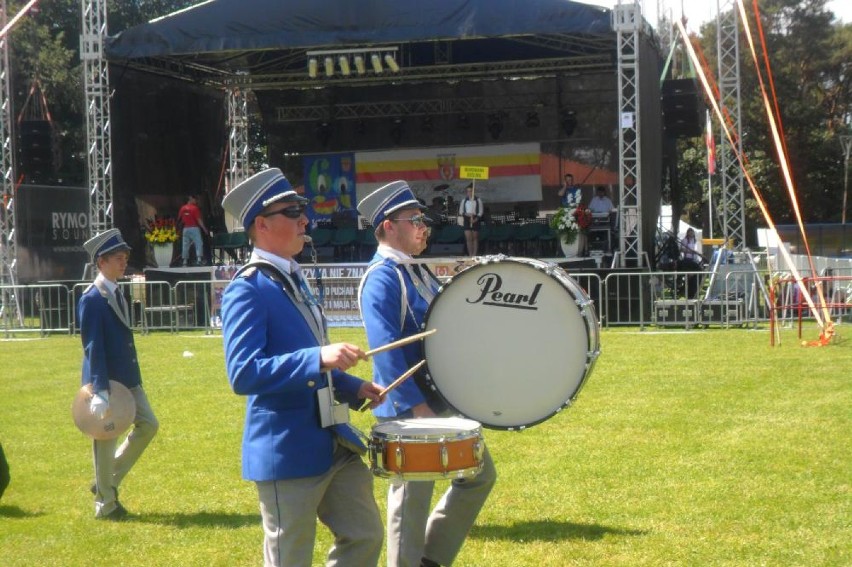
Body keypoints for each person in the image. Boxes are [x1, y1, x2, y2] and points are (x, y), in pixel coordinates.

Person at [220, 168, 385, 567]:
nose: (304, 221)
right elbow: (243, 372)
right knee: (289, 559)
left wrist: (351, 385)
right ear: (261, 223)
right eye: (292, 212)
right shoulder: (247, 288)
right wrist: (317, 358)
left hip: (333, 440)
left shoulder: (291, 278)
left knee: (365, 535)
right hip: (288, 449)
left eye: (302, 212)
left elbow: (309, 356)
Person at [358, 180, 497, 567]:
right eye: (414, 219)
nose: (424, 227)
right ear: (388, 225)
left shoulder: (413, 271)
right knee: (409, 505)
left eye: (424, 220)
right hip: (409, 410)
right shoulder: (382, 276)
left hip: (435, 401)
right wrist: (417, 409)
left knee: (479, 476)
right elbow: (386, 353)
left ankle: (430, 560)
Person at [78, 229, 159, 520]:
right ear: (101, 262)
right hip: (106, 381)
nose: (124, 263)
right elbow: (93, 346)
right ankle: (105, 504)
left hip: (127, 379)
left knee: (149, 424)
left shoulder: (116, 291)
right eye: (117, 258)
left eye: (125, 258)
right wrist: (99, 388)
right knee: (105, 440)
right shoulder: (92, 298)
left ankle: (105, 481)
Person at [178, 194, 208, 266]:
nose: (196, 201)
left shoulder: (182, 208)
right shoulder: (195, 208)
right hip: (194, 228)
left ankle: (185, 261)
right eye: (195, 199)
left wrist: (178, 228)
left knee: (185, 245)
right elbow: (199, 220)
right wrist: (204, 229)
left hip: (185, 229)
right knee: (198, 243)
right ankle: (199, 259)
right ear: (190, 199)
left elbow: (180, 219)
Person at [457, 183, 483, 256]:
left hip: (475, 218)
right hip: (467, 218)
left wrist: (476, 219)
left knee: (475, 238)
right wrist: (466, 214)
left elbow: (480, 211)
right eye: (468, 191)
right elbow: (461, 211)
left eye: (471, 191)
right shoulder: (464, 200)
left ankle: (474, 254)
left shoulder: (478, 200)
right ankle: (470, 254)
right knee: (468, 238)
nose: (469, 193)